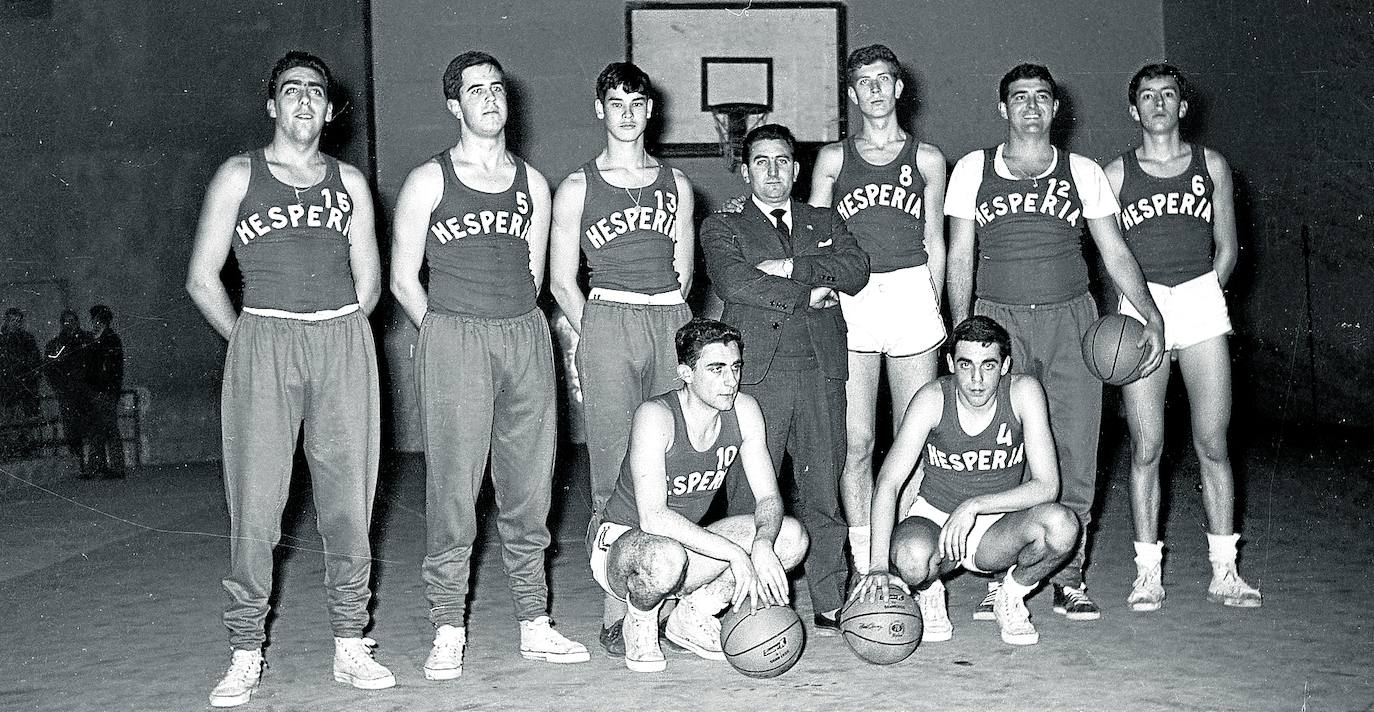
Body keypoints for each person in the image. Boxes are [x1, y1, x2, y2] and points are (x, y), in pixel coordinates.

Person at [186, 50, 390, 707]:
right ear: (273, 105)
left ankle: (351, 644)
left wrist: (341, 334)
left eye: (316, 92)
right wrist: (250, 338)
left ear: (330, 112)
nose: (304, 100)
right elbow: (201, 277)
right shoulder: (238, 175)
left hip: (340, 342)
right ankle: (246, 651)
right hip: (265, 342)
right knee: (255, 504)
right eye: (290, 90)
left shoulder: (350, 182)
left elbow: (371, 278)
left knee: (349, 502)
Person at [390, 50, 588, 681]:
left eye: (496, 88)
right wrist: (447, 333)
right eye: (475, 91)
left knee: (530, 485)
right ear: (455, 106)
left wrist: (517, 331)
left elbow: (533, 277)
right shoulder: (428, 180)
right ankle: (449, 626)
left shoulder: (533, 183)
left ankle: (535, 621)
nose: (490, 98)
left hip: (523, 336)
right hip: (455, 338)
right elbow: (400, 280)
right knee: (454, 488)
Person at [944, 63, 1167, 622]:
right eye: (1019, 98)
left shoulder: (1083, 170)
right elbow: (960, 256)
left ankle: (1068, 574)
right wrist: (962, 329)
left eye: (1042, 97)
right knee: (1007, 451)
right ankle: (1007, 574)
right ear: (1003, 109)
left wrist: (1151, 313)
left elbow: (1114, 251)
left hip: (1072, 321)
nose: (1031, 107)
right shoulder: (973, 168)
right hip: (998, 321)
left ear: (1055, 108)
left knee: (1074, 447)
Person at [548, 61, 695, 654]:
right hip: (607, 317)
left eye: (638, 101)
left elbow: (685, 271)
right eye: (616, 101)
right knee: (612, 471)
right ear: (600, 110)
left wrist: (667, 319)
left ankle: (674, 601)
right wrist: (602, 333)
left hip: (669, 315)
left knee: (677, 455)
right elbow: (561, 280)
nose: (628, 112)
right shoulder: (579, 186)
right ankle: (619, 610)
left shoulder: (678, 184)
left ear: (650, 110)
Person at [700, 123, 870, 635]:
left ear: (797, 170)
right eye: (761, 161)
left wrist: (788, 264)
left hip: (821, 371)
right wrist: (809, 288)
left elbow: (856, 269)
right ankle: (750, 598)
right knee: (751, 491)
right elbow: (734, 281)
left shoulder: (823, 217)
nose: (773, 171)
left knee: (823, 489)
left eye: (783, 161)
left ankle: (829, 598)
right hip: (756, 375)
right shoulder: (722, 225)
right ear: (746, 170)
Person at [1104, 63, 1260, 611]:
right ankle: (1148, 571)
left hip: (1196, 300)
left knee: (1213, 440)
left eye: (1168, 94)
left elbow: (1228, 250)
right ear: (1133, 109)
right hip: (1142, 304)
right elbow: (1113, 254)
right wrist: (1146, 310)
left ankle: (1225, 570)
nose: (1158, 104)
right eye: (1147, 96)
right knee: (1147, 445)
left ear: (1183, 106)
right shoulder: (1117, 174)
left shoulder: (1210, 164)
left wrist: (1197, 299)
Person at [588, 317, 809, 671]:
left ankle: (692, 614)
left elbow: (768, 498)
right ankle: (640, 623)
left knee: (790, 537)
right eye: (716, 369)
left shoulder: (745, 410)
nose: (730, 381)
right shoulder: (656, 415)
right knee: (665, 556)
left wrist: (763, 543)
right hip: (623, 545)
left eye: (735, 368)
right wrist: (737, 554)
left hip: (682, 547)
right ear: (686, 373)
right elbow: (653, 517)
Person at [807, 44, 948, 576]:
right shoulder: (834, 159)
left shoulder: (928, 158)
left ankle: (912, 562)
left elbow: (934, 237)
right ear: (851, 93)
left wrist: (933, 305)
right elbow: (816, 238)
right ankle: (868, 562)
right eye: (863, 81)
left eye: (883, 79)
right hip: (854, 296)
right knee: (858, 440)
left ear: (899, 87)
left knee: (915, 440)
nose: (874, 89)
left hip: (911, 291)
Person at [853, 316, 1078, 646]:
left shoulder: (1023, 392)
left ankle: (1011, 595)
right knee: (911, 559)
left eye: (988, 365)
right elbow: (888, 481)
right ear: (950, 364)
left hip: (996, 528)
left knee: (1062, 525)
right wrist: (876, 566)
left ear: (1005, 366)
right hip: (936, 519)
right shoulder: (932, 398)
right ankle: (929, 592)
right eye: (965, 365)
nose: (976, 379)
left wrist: (974, 506)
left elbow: (1047, 486)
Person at [44, 309, 93, 475]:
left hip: (85, 391)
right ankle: (79, 461)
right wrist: (60, 387)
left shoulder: (86, 339)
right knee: (72, 428)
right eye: (67, 321)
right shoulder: (56, 344)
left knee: (90, 426)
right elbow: (50, 368)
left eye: (72, 321)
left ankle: (91, 462)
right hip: (68, 393)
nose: (70, 325)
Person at [83, 304, 125, 478]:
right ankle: (99, 466)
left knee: (107, 428)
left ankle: (111, 467)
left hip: (104, 390)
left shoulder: (109, 340)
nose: (95, 323)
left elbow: (111, 369)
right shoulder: (100, 339)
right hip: (98, 390)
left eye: (97, 319)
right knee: (99, 429)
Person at [0, 307, 41, 456]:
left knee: (24, 422)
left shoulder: (27, 339)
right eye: (12, 321)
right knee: (7, 422)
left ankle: (24, 448)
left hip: (23, 390)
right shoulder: (2, 340)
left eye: (18, 321)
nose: (15, 324)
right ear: (6, 321)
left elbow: (35, 362)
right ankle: (8, 449)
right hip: (6, 390)